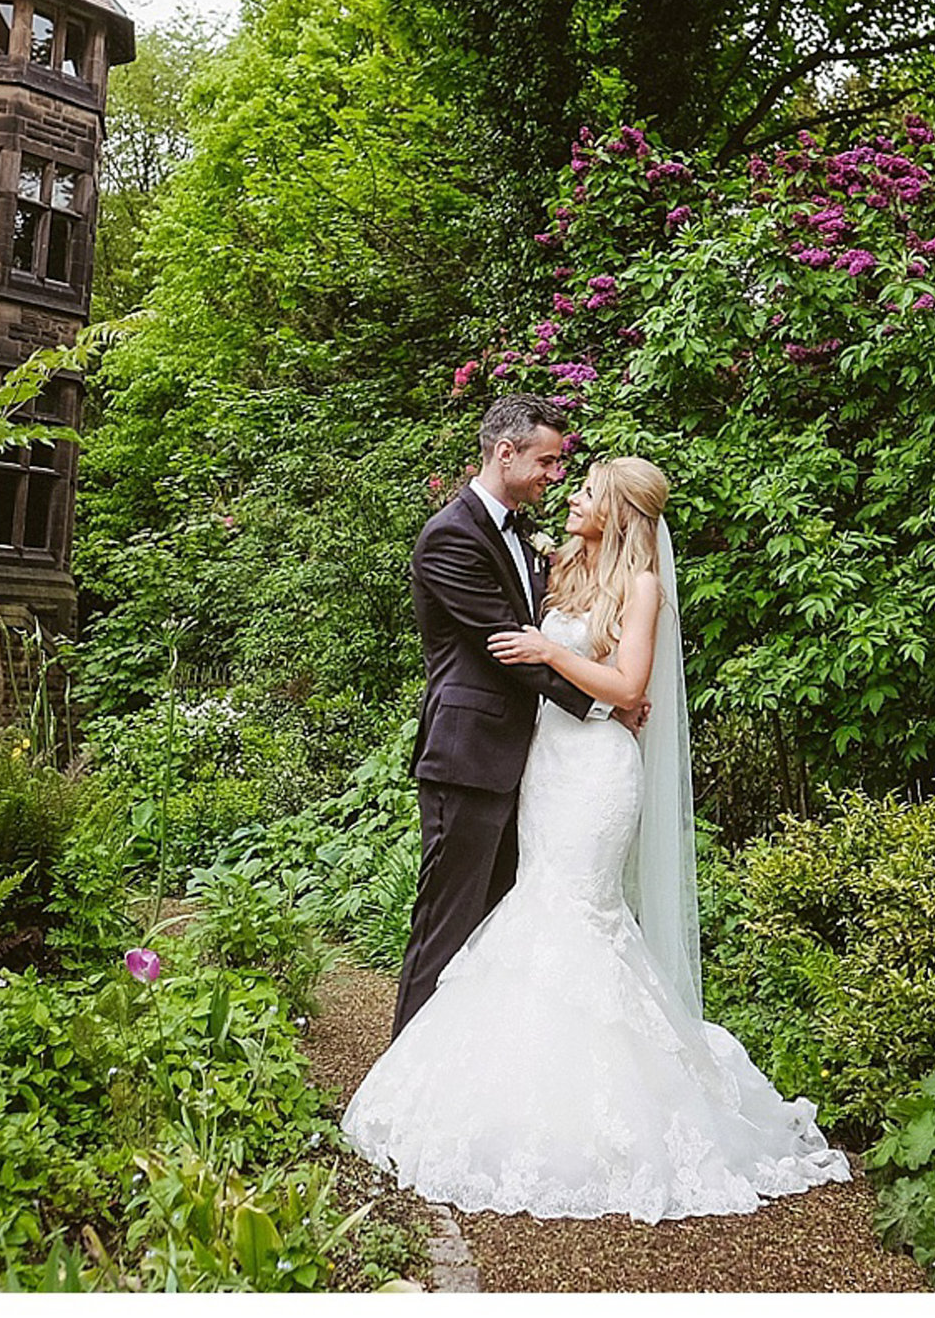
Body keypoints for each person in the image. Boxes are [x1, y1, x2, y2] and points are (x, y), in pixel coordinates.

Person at [347, 453, 850, 1222]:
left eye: (585, 490)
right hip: (544, 764)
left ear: (616, 510)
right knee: (530, 906)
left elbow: (629, 688)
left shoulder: (641, 586)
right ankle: (510, 1092)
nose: (571, 494)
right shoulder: (562, 565)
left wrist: (552, 650)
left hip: (598, 772)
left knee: (579, 914)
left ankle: (608, 1116)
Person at [391, 395, 628, 1037]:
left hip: (524, 764)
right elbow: (507, 647)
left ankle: (463, 1075)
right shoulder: (450, 536)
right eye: (547, 461)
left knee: (495, 928)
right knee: (448, 924)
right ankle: (399, 1082)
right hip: (468, 757)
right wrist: (606, 704)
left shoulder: (522, 534)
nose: (556, 474)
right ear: (506, 453)